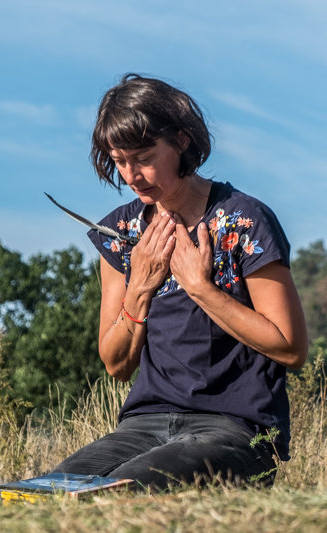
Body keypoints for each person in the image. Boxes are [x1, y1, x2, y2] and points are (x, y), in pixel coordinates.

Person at [50, 74, 308, 490]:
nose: (132, 174)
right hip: (143, 425)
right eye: (119, 160)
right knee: (48, 494)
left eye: (145, 156)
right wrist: (141, 287)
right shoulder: (120, 233)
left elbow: (292, 348)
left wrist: (201, 288)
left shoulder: (243, 222)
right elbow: (116, 365)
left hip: (235, 429)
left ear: (182, 142)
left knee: (120, 496)